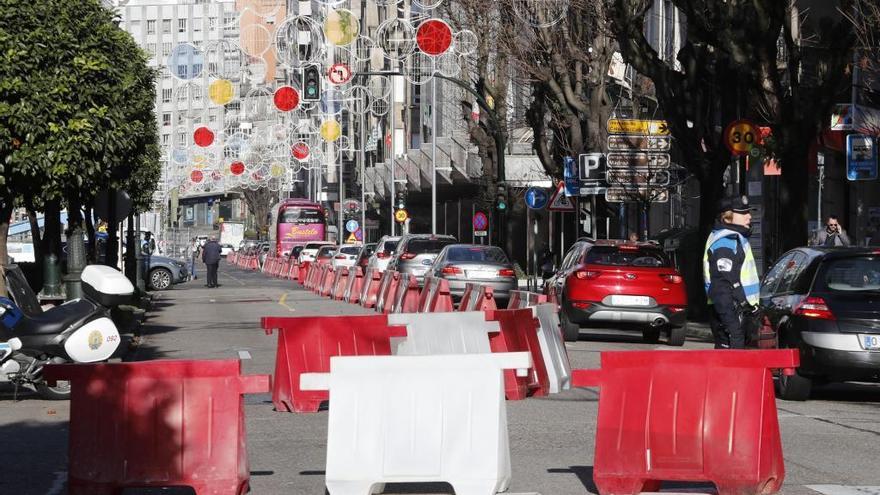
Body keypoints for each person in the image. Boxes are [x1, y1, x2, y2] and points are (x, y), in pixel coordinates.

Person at [703, 195, 761, 349]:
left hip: (736, 311)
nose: (749, 216)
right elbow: (722, 286)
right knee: (731, 368)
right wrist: (734, 330)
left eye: (748, 212)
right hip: (730, 313)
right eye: (743, 213)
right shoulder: (725, 242)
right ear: (727, 218)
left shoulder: (735, 238)